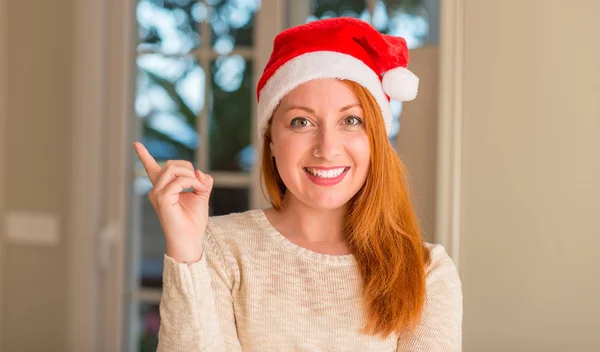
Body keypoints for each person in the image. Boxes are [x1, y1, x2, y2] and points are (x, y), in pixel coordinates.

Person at [134, 17, 462, 352]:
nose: (327, 147)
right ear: (271, 140)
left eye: (351, 120)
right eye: (301, 121)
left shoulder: (427, 271)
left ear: (375, 139)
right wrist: (186, 251)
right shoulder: (219, 248)